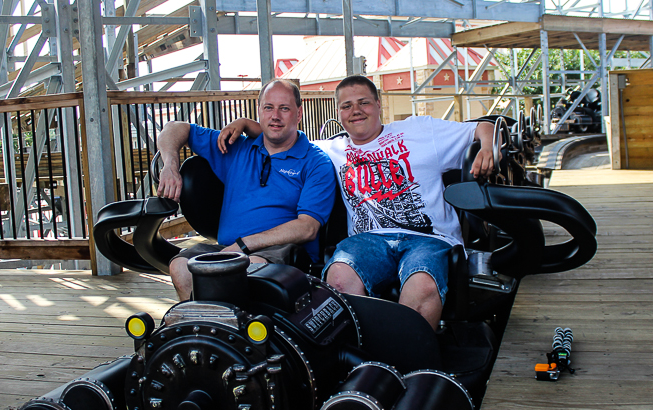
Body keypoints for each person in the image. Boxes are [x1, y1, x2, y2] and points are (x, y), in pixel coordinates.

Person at [217, 75, 497, 330]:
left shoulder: (420, 131)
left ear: (378, 104)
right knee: (338, 278)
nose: (356, 111)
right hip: (366, 241)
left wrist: (486, 147)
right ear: (338, 113)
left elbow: (484, 126)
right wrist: (244, 124)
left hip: (427, 237)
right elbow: (282, 133)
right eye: (347, 106)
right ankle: (358, 356)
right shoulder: (330, 149)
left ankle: (409, 363)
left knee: (422, 284)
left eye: (363, 102)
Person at [156, 79, 336, 301]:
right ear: (259, 111)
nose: (275, 116)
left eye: (284, 108)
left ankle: (231, 330)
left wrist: (242, 245)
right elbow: (175, 128)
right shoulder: (236, 147)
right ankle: (202, 327)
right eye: (268, 107)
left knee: (244, 270)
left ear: (298, 114)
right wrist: (170, 165)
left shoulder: (316, 162)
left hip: (280, 252)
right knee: (182, 267)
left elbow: (307, 228)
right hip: (227, 248)